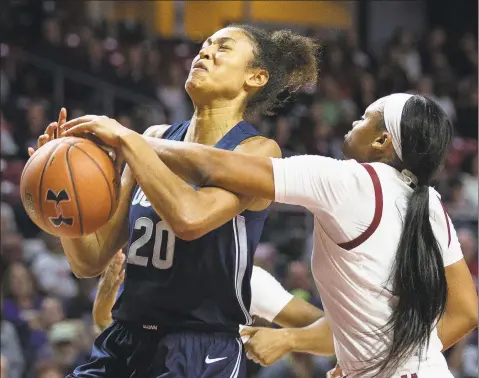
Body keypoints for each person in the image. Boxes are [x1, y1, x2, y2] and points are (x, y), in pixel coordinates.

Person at [61, 93, 477, 377]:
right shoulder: (431, 203)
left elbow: (215, 167)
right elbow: (466, 313)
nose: (354, 120)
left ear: (383, 140)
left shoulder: (349, 181)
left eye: (364, 118)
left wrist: (127, 138)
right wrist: (391, 361)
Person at [33, 25, 319, 377]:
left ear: (256, 77)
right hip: (125, 337)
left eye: (223, 48)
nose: (206, 52)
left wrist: (127, 140)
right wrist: (61, 203)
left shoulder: (256, 151)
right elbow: (90, 260)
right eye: (205, 44)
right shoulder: (153, 138)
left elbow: (190, 218)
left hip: (199, 347)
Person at [91, 250, 333, 346]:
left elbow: (335, 335)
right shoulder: (149, 268)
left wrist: (286, 339)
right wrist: (105, 295)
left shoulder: (244, 281)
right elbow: (108, 326)